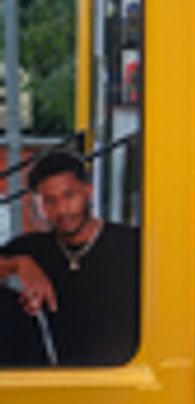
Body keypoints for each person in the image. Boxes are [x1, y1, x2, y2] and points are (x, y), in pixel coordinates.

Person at [0, 149, 140, 366]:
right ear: (40, 205)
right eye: (49, 201)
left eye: (69, 195)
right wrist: (18, 264)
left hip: (126, 381)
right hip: (65, 383)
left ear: (88, 191)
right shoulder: (34, 248)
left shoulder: (132, 244)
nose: (62, 209)